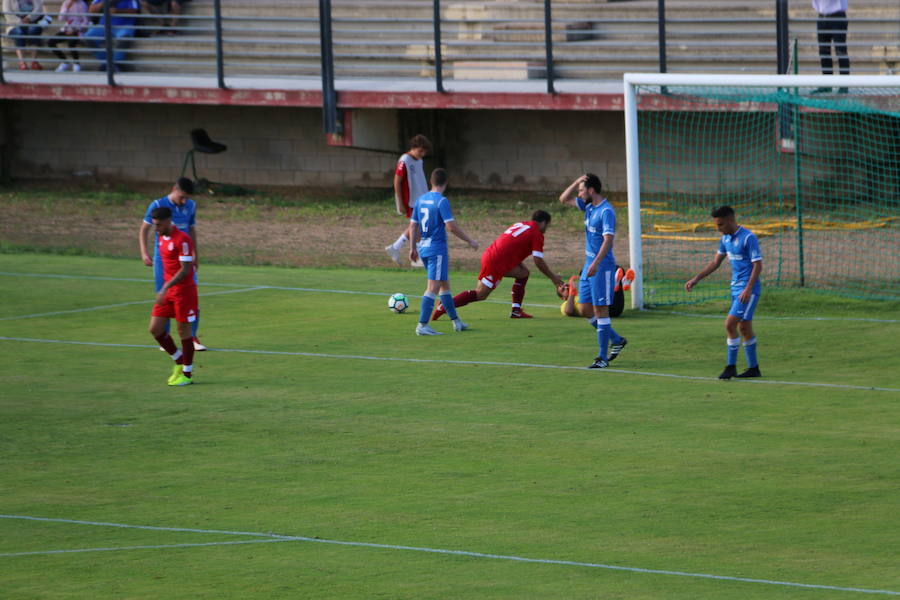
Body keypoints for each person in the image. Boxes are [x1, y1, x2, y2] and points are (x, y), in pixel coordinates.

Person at [431, 210, 565, 321]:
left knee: (523, 272)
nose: (546, 229)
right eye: (547, 225)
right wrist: (553, 278)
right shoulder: (537, 234)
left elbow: (510, 244)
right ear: (543, 223)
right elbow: (538, 261)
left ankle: (516, 311)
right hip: (496, 262)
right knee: (481, 294)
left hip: (493, 255)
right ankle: (445, 306)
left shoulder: (522, 224)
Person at [684, 205, 763, 379]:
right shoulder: (725, 239)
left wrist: (748, 289)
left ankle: (730, 366)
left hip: (748, 291)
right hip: (735, 289)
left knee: (729, 324)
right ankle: (754, 368)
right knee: (744, 328)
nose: (718, 229)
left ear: (730, 220)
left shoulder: (748, 238)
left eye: (720, 225)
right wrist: (696, 279)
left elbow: (758, 265)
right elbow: (715, 263)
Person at [559, 173, 628, 368]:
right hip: (589, 266)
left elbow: (608, 240)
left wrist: (596, 263)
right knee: (585, 309)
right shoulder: (588, 206)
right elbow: (563, 199)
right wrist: (576, 181)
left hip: (602, 267)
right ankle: (616, 340)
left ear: (591, 190)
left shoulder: (606, 211)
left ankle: (601, 357)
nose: (579, 194)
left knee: (600, 310)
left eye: (581, 190)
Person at [408, 167, 479, 336]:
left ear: (430, 182)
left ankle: (456, 322)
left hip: (423, 248)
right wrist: (470, 240)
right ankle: (422, 324)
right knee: (433, 287)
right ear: (446, 183)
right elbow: (451, 226)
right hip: (436, 250)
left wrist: (412, 248)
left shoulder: (420, 200)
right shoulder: (441, 201)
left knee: (444, 285)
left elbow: (412, 225)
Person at [139, 177, 206, 351]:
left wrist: (195, 254)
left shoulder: (191, 206)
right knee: (164, 296)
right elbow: (144, 229)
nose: (184, 201)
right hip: (163, 257)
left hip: (183, 256)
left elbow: (191, 229)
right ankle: (165, 335)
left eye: (187, 198)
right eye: (182, 197)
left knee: (192, 296)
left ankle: (192, 337)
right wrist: (144, 252)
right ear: (174, 188)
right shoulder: (158, 205)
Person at [147, 206, 197, 387]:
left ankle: (187, 373)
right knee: (155, 329)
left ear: (169, 221)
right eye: (154, 225)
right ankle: (179, 360)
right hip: (168, 291)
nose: (156, 228)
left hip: (184, 292)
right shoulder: (160, 237)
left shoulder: (183, 240)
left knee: (184, 331)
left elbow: (185, 270)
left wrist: (165, 287)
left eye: (159, 225)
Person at [386, 134, 431, 268]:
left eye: (424, 152)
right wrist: (400, 202)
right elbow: (397, 181)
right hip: (412, 200)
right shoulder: (404, 160)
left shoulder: (419, 161)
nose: (422, 154)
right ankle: (416, 258)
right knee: (418, 227)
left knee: (417, 226)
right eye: (420, 151)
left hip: (421, 198)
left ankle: (395, 247)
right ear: (414, 148)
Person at [83, 0, 139, 72]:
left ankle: (116, 63)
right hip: (104, 26)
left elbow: (134, 11)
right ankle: (106, 63)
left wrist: (117, 11)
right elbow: (91, 11)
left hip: (124, 26)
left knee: (124, 38)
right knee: (88, 38)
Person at [812, 0, 850, 93]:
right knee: (824, 52)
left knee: (840, 51)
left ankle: (844, 86)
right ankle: (827, 85)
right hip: (822, 17)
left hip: (837, 17)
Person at [3, 0, 48, 70]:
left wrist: (29, 18)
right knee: (19, 33)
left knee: (34, 31)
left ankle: (34, 61)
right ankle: (22, 62)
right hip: (14, 24)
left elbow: (39, 8)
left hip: (32, 22)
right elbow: (7, 13)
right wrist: (20, 22)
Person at [47, 0, 89, 72]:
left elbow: (86, 21)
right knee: (50, 42)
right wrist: (67, 8)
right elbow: (61, 18)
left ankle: (76, 64)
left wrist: (75, 29)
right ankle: (65, 62)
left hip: (78, 30)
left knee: (71, 43)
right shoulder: (66, 3)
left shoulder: (82, 4)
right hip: (66, 29)